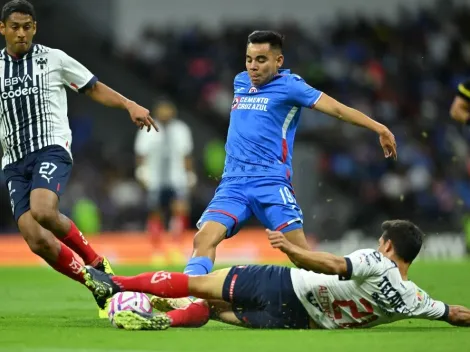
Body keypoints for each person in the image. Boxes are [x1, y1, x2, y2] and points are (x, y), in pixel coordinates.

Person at [164, 29, 397, 308]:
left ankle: (349, 297)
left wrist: (378, 127)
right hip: (233, 183)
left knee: (301, 255)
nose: (253, 66)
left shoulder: (291, 86)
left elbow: (335, 109)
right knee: (204, 238)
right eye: (249, 59)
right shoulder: (240, 81)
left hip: (271, 183)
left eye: (261, 59)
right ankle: (188, 299)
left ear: (278, 61)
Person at [0, 0, 158, 318]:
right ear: (2, 29)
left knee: (44, 210)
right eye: (14, 26)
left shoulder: (54, 59)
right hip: (13, 162)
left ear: (35, 28)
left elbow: (93, 87)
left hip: (50, 149)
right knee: (35, 239)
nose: (21, 33)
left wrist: (129, 104)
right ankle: (95, 283)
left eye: (27, 26)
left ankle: (97, 261)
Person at [83, 220, 470, 330]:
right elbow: (454, 313)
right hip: (295, 321)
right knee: (214, 310)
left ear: (387, 245)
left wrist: (294, 252)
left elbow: (336, 266)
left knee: (199, 284)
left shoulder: (375, 260)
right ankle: (162, 319)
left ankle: (114, 283)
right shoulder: (414, 299)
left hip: (284, 283)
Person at [134, 98, 195, 264]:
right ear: (157, 111)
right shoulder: (148, 128)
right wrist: (141, 172)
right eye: (162, 110)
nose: (165, 113)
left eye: (168, 110)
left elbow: (186, 154)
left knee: (180, 210)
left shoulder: (181, 129)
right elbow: (141, 154)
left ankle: (176, 247)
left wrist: (189, 173)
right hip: (155, 178)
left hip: (176, 178)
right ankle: (157, 250)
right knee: (156, 213)